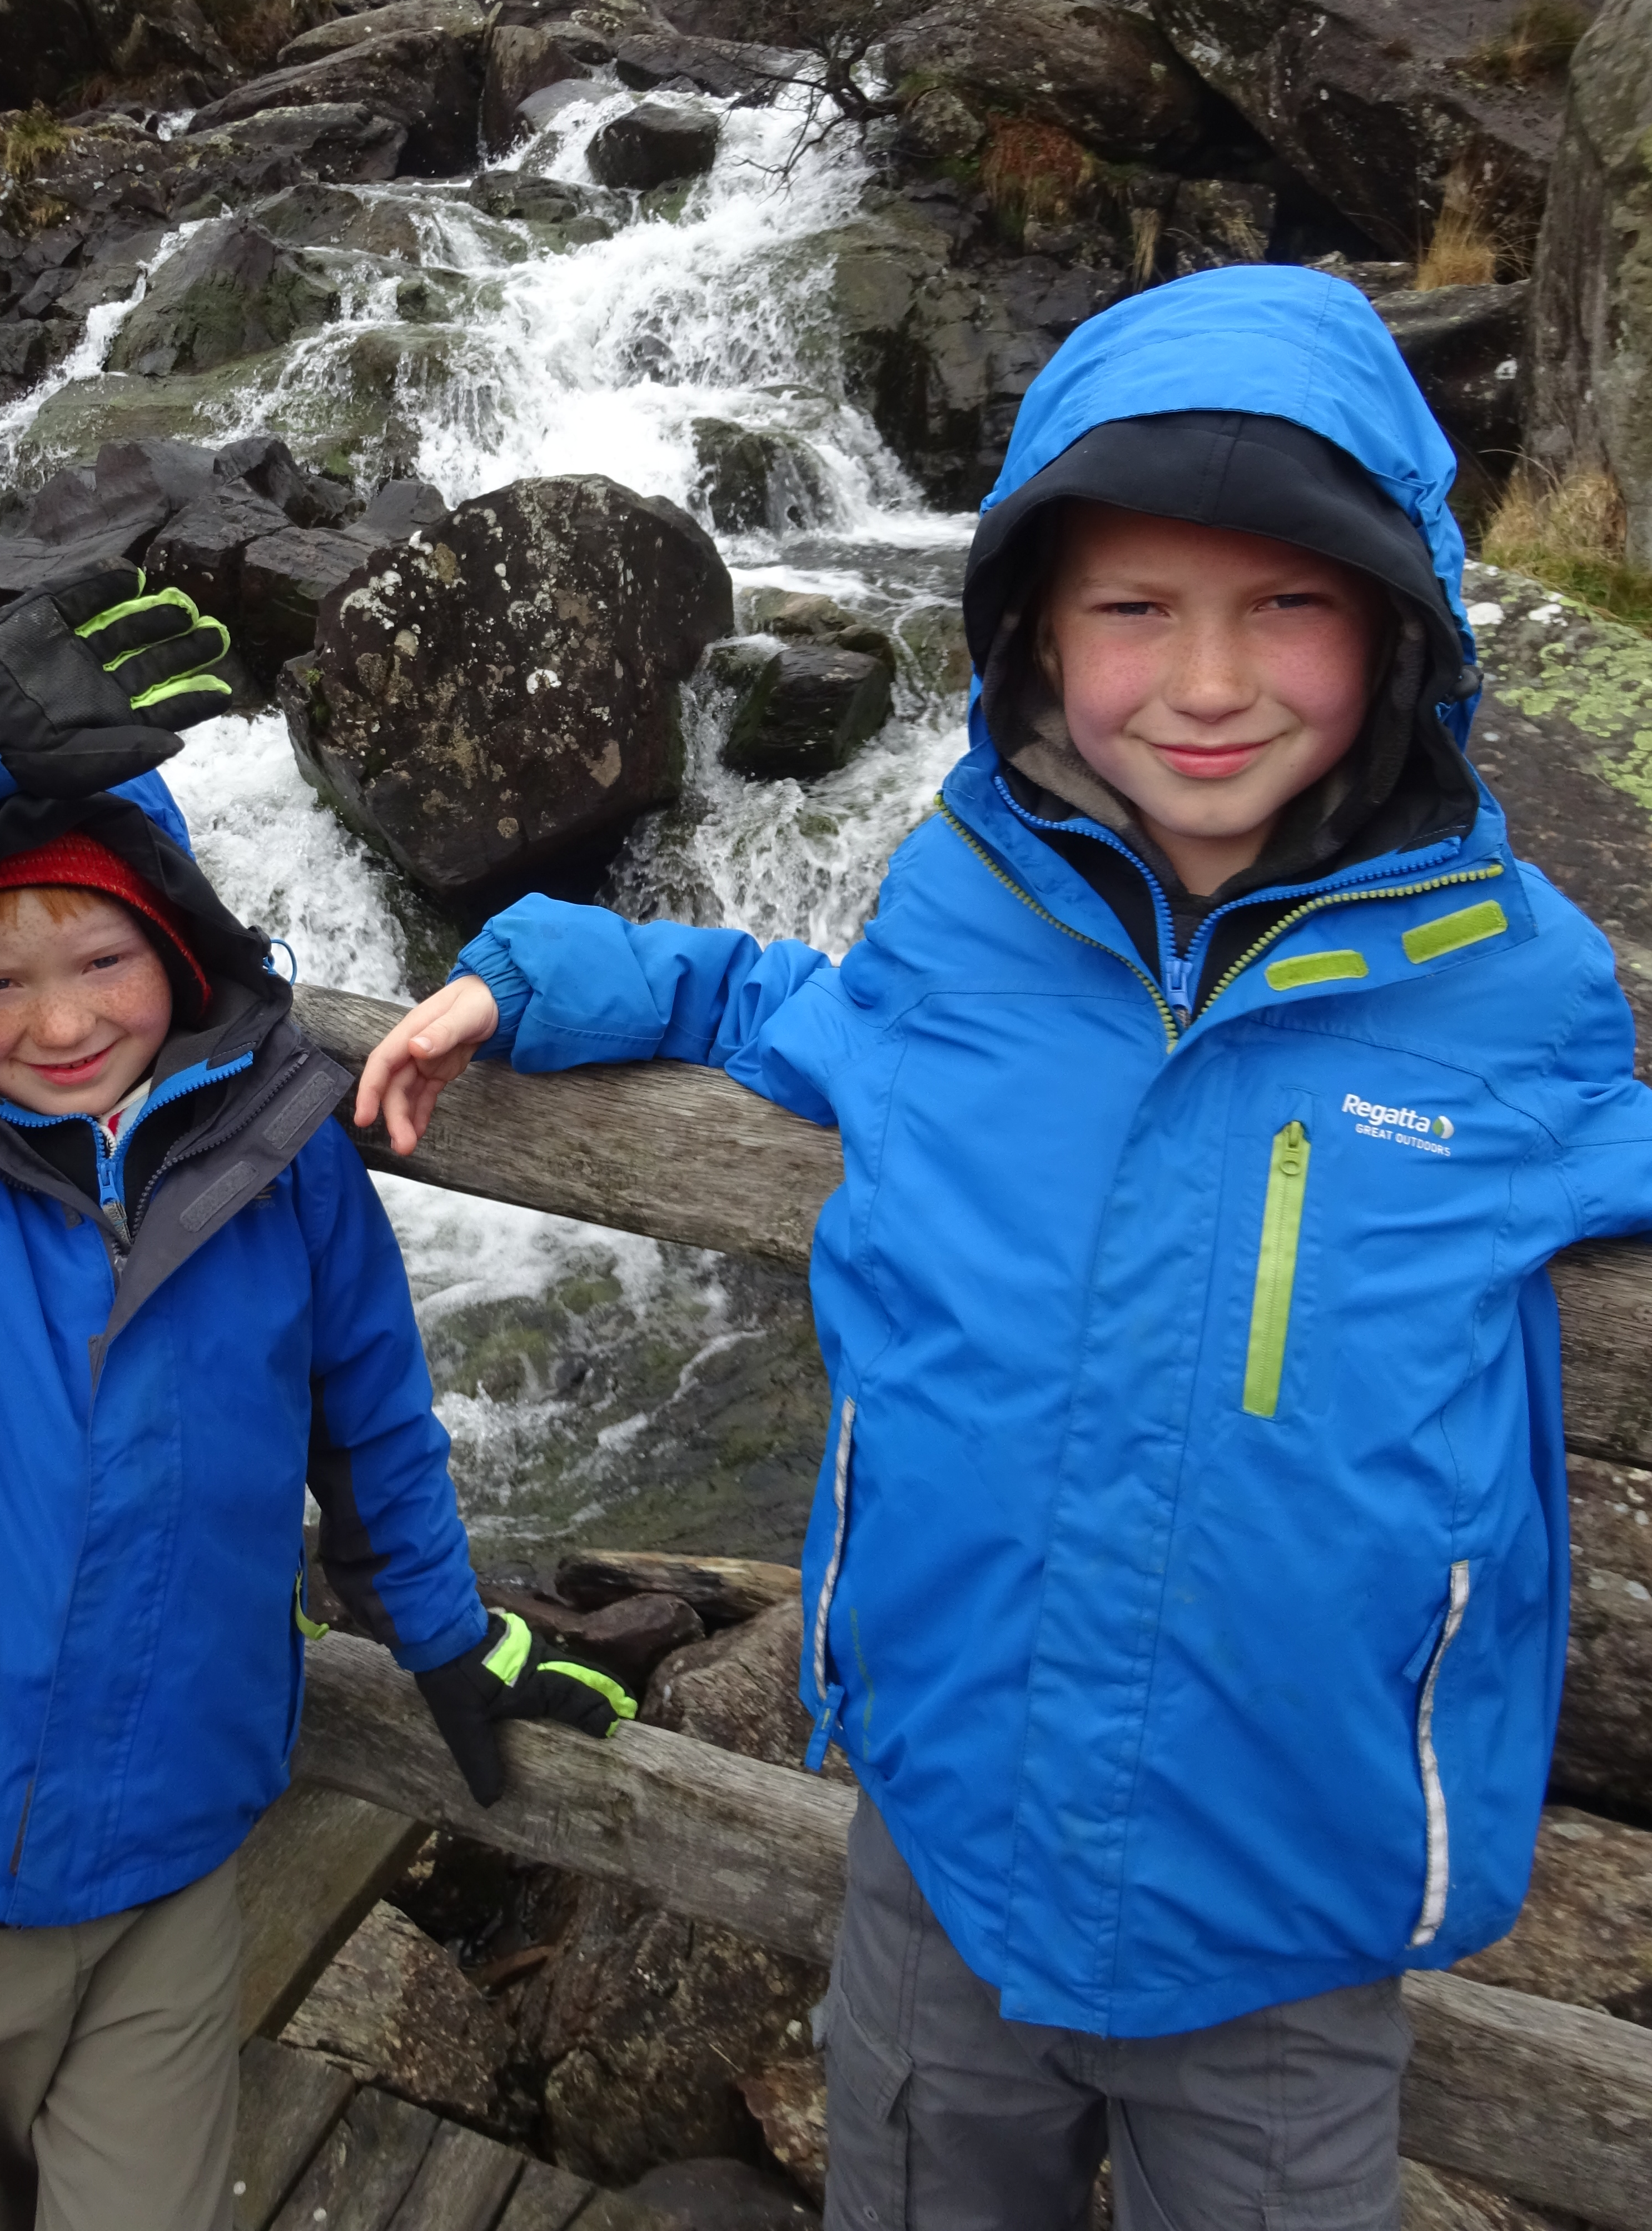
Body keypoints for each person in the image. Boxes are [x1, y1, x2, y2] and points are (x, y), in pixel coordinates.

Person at [355, 265, 1652, 2231]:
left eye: (1285, 605)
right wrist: (536, 972)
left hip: (1282, 1911)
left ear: (1400, 625)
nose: (1206, 683)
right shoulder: (960, 909)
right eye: (1134, 609)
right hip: (943, 1839)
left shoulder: (1512, 989)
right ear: (1034, 632)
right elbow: (784, 1008)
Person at [0, 569, 629, 2231]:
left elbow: (371, 1412)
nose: (61, 1020)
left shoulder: (289, 1151)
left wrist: (445, 1632)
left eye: (102, 956)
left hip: (177, 1833)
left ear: (179, 943)